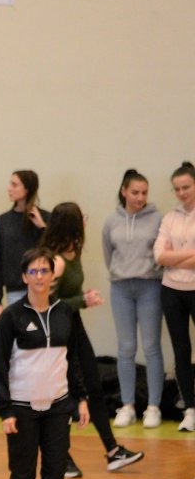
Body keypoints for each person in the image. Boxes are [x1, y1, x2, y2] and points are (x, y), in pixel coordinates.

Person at [0, 250, 93, 479]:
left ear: (53, 276)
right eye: (33, 271)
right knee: (22, 476)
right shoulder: (11, 317)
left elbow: (73, 359)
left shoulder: (65, 313)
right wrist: (5, 409)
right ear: (24, 277)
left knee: (53, 475)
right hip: (21, 408)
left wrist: (80, 398)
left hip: (58, 407)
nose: (39, 277)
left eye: (44, 271)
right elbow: (0, 365)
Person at [41, 203, 145, 473]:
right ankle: (60, 457)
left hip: (74, 325)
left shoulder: (73, 251)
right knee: (62, 394)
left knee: (93, 386)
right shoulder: (58, 261)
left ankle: (112, 450)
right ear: (73, 224)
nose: (86, 220)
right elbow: (46, 304)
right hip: (58, 330)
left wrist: (80, 300)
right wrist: (82, 300)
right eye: (82, 217)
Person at [103, 170, 164, 429]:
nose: (140, 197)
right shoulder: (111, 221)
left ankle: (153, 406)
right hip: (121, 289)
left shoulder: (158, 219)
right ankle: (127, 406)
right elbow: (108, 253)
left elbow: (162, 251)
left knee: (151, 347)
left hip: (150, 286)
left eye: (144, 193)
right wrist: (121, 274)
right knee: (126, 348)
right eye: (135, 192)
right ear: (124, 191)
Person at [159, 163, 195, 433]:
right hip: (171, 290)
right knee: (181, 350)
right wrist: (186, 257)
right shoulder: (170, 218)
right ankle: (190, 409)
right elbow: (159, 256)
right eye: (177, 189)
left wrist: (175, 256)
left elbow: (169, 256)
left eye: (187, 187)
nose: (182, 193)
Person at [0, 169, 46, 313]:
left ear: (27, 189)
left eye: (15, 185)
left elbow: (53, 253)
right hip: (15, 291)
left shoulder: (45, 218)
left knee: (42, 334)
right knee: (19, 334)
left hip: (43, 289)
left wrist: (42, 228)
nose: (9, 188)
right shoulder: (2, 221)